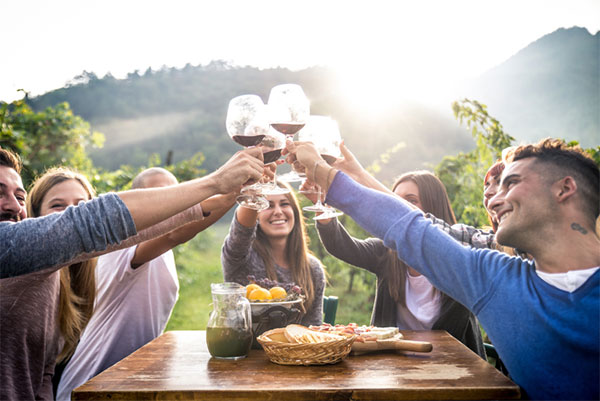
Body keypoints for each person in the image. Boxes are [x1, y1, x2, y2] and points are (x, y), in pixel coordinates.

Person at [285, 138, 599, 401]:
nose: (494, 200)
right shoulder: (492, 279)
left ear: (564, 189)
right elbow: (409, 227)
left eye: (512, 183)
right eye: (494, 189)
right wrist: (333, 174)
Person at [0, 147, 266, 400]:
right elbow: (96, 222)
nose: (12, 205)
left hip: (121, 385)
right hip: (94, 387)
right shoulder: (16, 249)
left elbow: (42, 371)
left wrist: (238, 190)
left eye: (19, 196)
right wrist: (219, 182)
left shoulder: (53, 279)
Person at [56, 168, 236, 400]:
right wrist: (236, 193)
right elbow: (176, 233)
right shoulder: (123, 243)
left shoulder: (162, 250)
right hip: (87, 387)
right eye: (157, 195)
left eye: (174, 193)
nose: (168, 202)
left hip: (124, 385)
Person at [313, 171, 485, 358]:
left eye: (411, 200)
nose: (399, 208)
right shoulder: (386, 253)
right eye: (393, 200)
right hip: (394, 362)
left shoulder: (459, 256)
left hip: (456, 362)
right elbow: (342, 246)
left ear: (433, 207)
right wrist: (324, 211)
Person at [221, 181, 326, 326]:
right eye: (268, 205)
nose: (278, 211)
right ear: (255, 215)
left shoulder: (313, 269)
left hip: (295, 348)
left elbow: (313, 329)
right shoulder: (242, 258)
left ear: (295, 212)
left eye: (284, 204)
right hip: (246, 348)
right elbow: (241, 232)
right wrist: (255, 186)